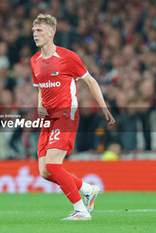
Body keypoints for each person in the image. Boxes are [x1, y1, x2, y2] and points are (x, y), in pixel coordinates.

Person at [30, 14, 116, 221]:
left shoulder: (68, 57)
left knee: (52, 165)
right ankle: (88, 189)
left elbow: (90, 81)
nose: (35, 34)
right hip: (47, 119)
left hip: (66, 115)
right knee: (44, 171)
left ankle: (81, 210)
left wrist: (103, 107)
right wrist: (39, 106)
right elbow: (41, 88)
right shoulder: (35, 61)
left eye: (39, 30)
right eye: (34, 31)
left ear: (51, 32)